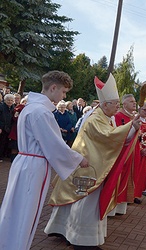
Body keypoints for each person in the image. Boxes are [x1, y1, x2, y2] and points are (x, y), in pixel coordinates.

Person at [44, 74, 141, 248]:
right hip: (87, 166)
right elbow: (109, 137)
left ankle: (63, 230)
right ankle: (81, 239)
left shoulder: (104, 117)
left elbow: (114, 139)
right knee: (84, 201)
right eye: (116, 104)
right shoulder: (96, 118)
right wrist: (131, 126)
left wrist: (131, 128)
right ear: (105, 104)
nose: (118, 108)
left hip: (89, 164)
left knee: (79, 200)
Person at [0, 71, 89, 250]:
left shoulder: (31, 108)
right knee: (26, 213)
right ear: (53, 87)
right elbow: (54, 145)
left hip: (24, 163)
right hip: (34, 167)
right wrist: (79, 159)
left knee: (14, 209)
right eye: (63, 92)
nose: (64, 96)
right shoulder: (41, 112)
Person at [132, 103, 146, 204]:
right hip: (136, 153)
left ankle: (136, 194)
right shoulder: (135, 122)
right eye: (144, 109)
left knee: (141, 176)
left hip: (145, 155)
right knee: (133, 174)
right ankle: (130, 194)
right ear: (139, 110)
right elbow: (133, 137)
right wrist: (140, 149)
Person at [8, 95, 28, 162]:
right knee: (15, 148)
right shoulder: (19, 108)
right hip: (16, 131)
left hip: (23, 131)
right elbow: (15, 117)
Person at [0, 93, 15, 162]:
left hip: (9, 128)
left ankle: (3, 155)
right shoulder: (1, 107)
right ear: (5, 100)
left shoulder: (13, 108)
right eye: (8, 100)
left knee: (6, 142)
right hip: (2, 127)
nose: (10, 102)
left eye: (11, 100)